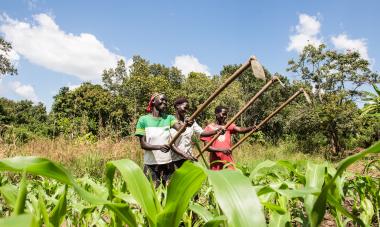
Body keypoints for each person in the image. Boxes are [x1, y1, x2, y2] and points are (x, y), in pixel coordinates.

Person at [135, 93, 182, 186]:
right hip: (151, 165)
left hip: (168, 164)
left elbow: (180, 129)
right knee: (153, 195)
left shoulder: (169, 118)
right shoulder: (143, 120)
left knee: (168, 194)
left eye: (166, 101)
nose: (165, 102)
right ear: (153, 101)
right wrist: (159, 147)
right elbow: (143, 144)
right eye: (162, 100)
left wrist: (187, 123)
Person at [170, 97, 222, 168]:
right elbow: (170, 144)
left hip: (188, 158)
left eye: (188, 108)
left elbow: (202, 133)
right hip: (174, 160)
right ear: (177, 106)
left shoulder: (191, 121)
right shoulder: (170, 121)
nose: (186, 110)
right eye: (185, 108)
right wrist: (184, 155)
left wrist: (216, 131)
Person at [200, 105, 255, 170]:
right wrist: (222, 150)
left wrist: (251, 128)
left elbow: (240, 130)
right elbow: (207, 147)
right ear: (216, 114)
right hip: (216, 161)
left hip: (228, 160)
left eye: (226, 115)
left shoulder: (227, 126)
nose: (225, 117)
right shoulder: (209, 128)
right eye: (223, 114)